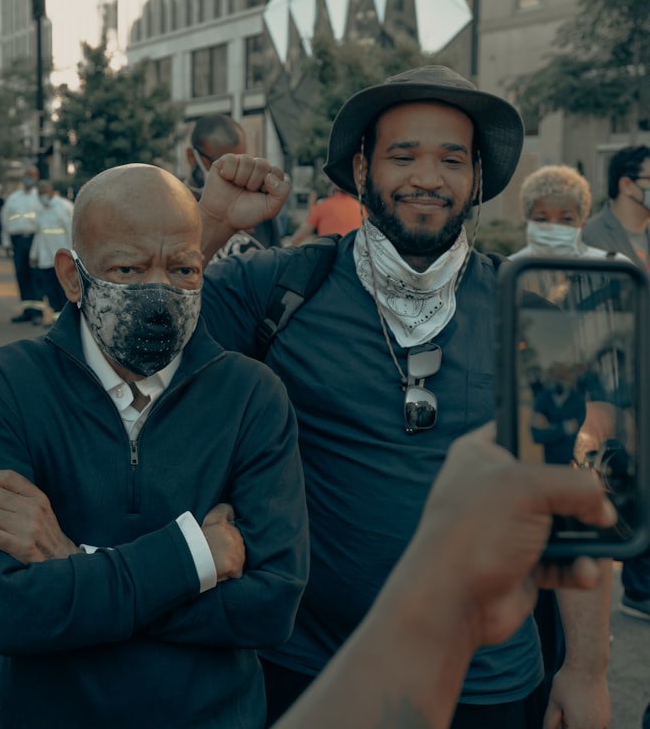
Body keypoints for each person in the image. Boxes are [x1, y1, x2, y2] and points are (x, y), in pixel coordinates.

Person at [196, 65, 612, 728]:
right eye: (403, 155)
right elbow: (126, 337)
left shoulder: (534, 306)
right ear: (361, 169)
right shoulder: (278, 287)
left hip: (490, 684)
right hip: (311, 671)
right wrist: (210, 223)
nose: (427, 176)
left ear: (476, 178)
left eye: (452, 158)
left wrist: (585, 670)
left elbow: (571, 496)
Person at [0, 161, 308, 728]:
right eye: (128, 268)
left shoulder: (251, 395)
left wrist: (75, 561)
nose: (159, 291)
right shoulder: (4, 387)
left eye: (183, 269)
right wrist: (196, 556)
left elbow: (269, 608)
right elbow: (7, 613)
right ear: (72, 276)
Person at [275, 422, 617, 729]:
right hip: (308, 660)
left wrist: (586, 670)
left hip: (493, 679)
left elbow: (570, 484)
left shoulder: (517, 356)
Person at [581, 145, 650, 623]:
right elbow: (590, 327)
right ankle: (637, 586)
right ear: (628, 182)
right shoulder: (594, 238)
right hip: (620, 384)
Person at [186, 113, 283, 258]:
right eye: (220, 162)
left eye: (240, 163)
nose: (234, 173)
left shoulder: (254, 208)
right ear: (192, 157)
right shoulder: (174, 210)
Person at [510, 165, 616, 259]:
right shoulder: (506, 270)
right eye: (541, 219)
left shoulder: (613, 269)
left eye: (566, 219)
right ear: (527, 222)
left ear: (582, 222)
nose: (553, 227)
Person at [1, 166, 44, 323]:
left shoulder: (39, 197)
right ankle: (27, 309)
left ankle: (37, 312)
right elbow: (5, 219)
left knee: (36, 275)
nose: (29, 178)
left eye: (32, 175)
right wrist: (6, 241)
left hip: (35, 239)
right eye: (27, 175)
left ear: (37, 177)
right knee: (22, 274)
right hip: (18, 241)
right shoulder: (14, 198)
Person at [29, 180, 72, 325]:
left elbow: (72, 233)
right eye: (40, 194)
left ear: (52, 192)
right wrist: (34, 254)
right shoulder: (40, 210)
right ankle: (56, 320)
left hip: (63, 257)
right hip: (46, 258)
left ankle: (66, 320)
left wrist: (72, 254)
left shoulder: (65, 207)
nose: (42, 197)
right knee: (50, 291)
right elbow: (39, 234)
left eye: (45, 193)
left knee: (64, 291)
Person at [289, 185, 365, 245]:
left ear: (332, 190)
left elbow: (301, 235)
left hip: (329, 256)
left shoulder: (322, 206)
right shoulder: (360, 207)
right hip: (352, 255)